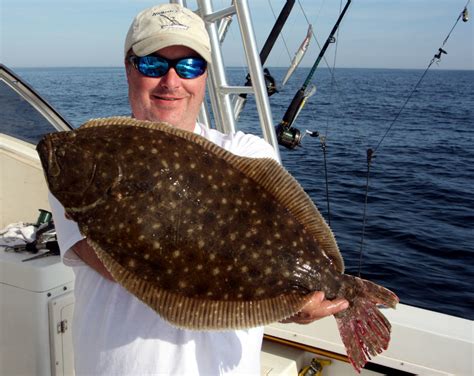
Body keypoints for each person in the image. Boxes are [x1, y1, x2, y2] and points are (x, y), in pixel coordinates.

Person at [49, 3, 349, 375]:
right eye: (153, 64)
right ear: (129, 68)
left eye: (189, 66)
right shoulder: (87, 157)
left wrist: (289, 301)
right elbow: (120, 269)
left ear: (204, 75)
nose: (171, 81)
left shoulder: (247, 153)